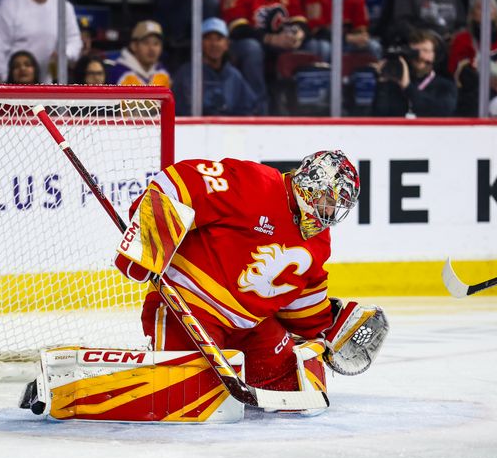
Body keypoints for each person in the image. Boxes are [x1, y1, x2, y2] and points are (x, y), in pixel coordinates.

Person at [113, 150, 387, 401]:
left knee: (295, 383)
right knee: (185, 393)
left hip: (250, 328)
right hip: (188, 310)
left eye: (336, 207)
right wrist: (148, 238)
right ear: (312, 186)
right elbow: (181, 181)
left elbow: (303, 296)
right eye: (329, 201)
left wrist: (327, 326)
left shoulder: (319, 240)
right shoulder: (254, 183)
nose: (330, 213)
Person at [220, 0, 308, 114]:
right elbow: (237, 28)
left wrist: (298, 35)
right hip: (243, 45)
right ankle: (258, 108)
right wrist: (270, 39)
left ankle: (301, 107)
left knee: (314, 47)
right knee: (252, 49)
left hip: (280, 43)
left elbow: (299, 18)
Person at [172, 17, 260, 115]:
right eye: (208, 38)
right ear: (200, 43)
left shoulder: (234, 76)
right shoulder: (186, 74)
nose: (214, 44)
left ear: (226, 44)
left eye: (219, 39)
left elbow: (249, 109)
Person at [450, 0, 497, 116]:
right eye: (480, 8)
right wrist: (487, 81)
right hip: (474, 95)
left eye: (490, 8)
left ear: (496, 14)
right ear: (471, 14)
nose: (486, 11)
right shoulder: (462, 39)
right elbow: (458, 70)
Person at [303, 0, 381, 61]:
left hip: (349, 41)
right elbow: (316, 31)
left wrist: (361, 36)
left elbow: (361, 26)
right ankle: (324, 76)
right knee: (324, 48)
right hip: (323, 40)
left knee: (374, 46)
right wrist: (347, 38)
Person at [371, 29, 457, 117]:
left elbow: (443, 112)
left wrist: (408, 87)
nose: (420, 56)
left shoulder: (445, 86)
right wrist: (382, 84)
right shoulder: (394, 83)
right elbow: (379, 115)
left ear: (435, 55)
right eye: (415, 52)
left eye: (426, 50)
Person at [108, 21, 171, 87]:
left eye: (156, 43)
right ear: (134, 45)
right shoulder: (119, 74)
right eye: (146, 43)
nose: (152, 49)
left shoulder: (163, 73)